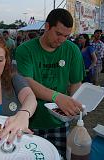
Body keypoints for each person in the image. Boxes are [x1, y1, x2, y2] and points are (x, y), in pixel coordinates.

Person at [15, 8, 85, 157]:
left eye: (66, 36)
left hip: (59, 122)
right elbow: (26, 81)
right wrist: (58, 97)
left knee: (58, 156)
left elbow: (75, 82)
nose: (61, 40)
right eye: (58, 34)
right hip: (30, 120)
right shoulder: (25, 50)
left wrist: (72, 106)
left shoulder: (72, 50)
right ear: (47, 27)